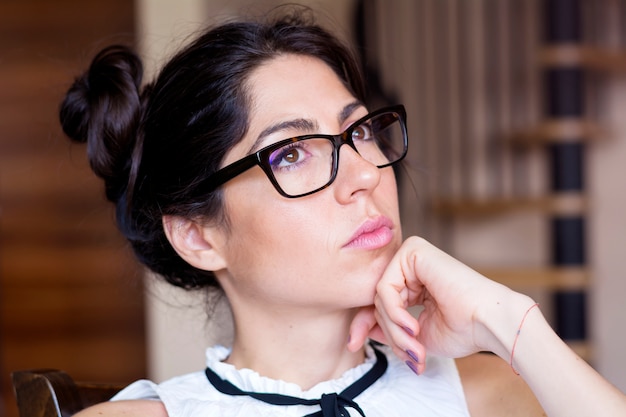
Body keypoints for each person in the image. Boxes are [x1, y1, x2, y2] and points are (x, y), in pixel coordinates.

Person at [59, 6, 626, 417]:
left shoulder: (488, 397)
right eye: (292, 153)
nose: (365, 174)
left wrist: (506, 321)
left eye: (360, 132)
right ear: (198, 235)